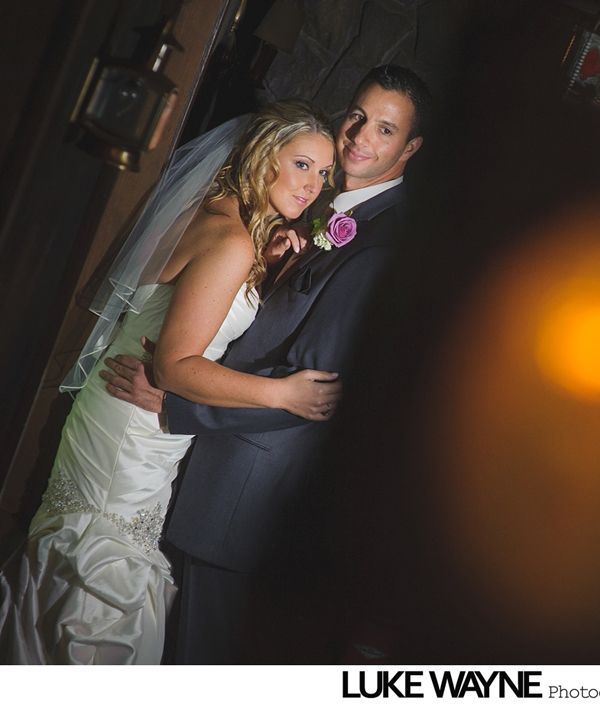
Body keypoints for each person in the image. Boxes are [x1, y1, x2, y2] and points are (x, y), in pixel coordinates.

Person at [100, 64, 431, 663]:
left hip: (240, 499)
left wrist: (175, 399)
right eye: (356, 115)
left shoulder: (382, 247)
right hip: (202, 480)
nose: (358, 136)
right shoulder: (335, 215)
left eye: (384, 130)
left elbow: (314, 390)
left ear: (410, 148)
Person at [0, 100, 339, 665]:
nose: (314, 186)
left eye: (324, 174)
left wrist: (262, 261)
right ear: (263, 157)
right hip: (135, 430)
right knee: (103, 585)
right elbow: (175, 367)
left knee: (71, 559)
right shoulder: (232, 241)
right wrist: (282, 393)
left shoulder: (213, 217)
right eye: (302, 165)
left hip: (119, 416)